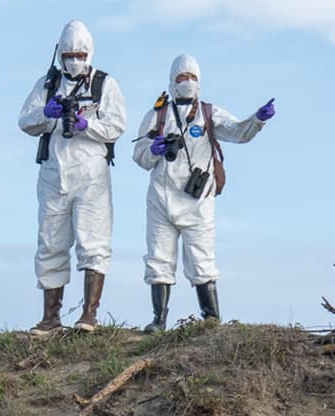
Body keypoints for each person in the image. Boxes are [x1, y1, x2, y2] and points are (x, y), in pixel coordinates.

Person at [132, 53, 274, 330]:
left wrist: (258, 119)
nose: (187, 82)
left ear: (200, 82)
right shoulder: (157, 115)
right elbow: (139, 155)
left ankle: (210, 320)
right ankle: (158, 320)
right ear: (172, 82)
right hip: (161, 198)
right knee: (158, 258)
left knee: (202, 259)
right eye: (182, 77)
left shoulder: (210, 113)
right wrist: (153, 149)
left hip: (198, 199)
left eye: (193, 77)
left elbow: (238, 132)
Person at [19, 20, 127, 334]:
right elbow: (25, 120)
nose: (74, 60)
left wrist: (86, 125)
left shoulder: (104, 84)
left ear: (89, 52)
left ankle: (88, 315)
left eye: (79, 54)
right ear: (60, 54)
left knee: (93, 241)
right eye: (69, 54)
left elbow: (117, 125)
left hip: (91, 172)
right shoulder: (47, 84)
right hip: (54, 172)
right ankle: (50, 317)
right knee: (50, 242)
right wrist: (47, 114)